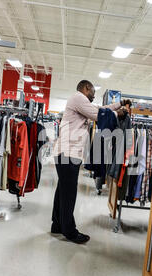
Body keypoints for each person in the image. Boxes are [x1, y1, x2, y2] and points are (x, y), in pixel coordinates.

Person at [51, 80, 131, 244]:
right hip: (68, 153)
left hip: (67, 153)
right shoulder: (79, 97)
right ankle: (69, 231)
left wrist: (119, 104)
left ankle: (57, 225)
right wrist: (119, 114)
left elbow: (101, 110)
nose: (94, 95)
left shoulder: (80, 101)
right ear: (86, 88)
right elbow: (98, 115)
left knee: (62, 191)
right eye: (93, 92)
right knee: (69, 194)